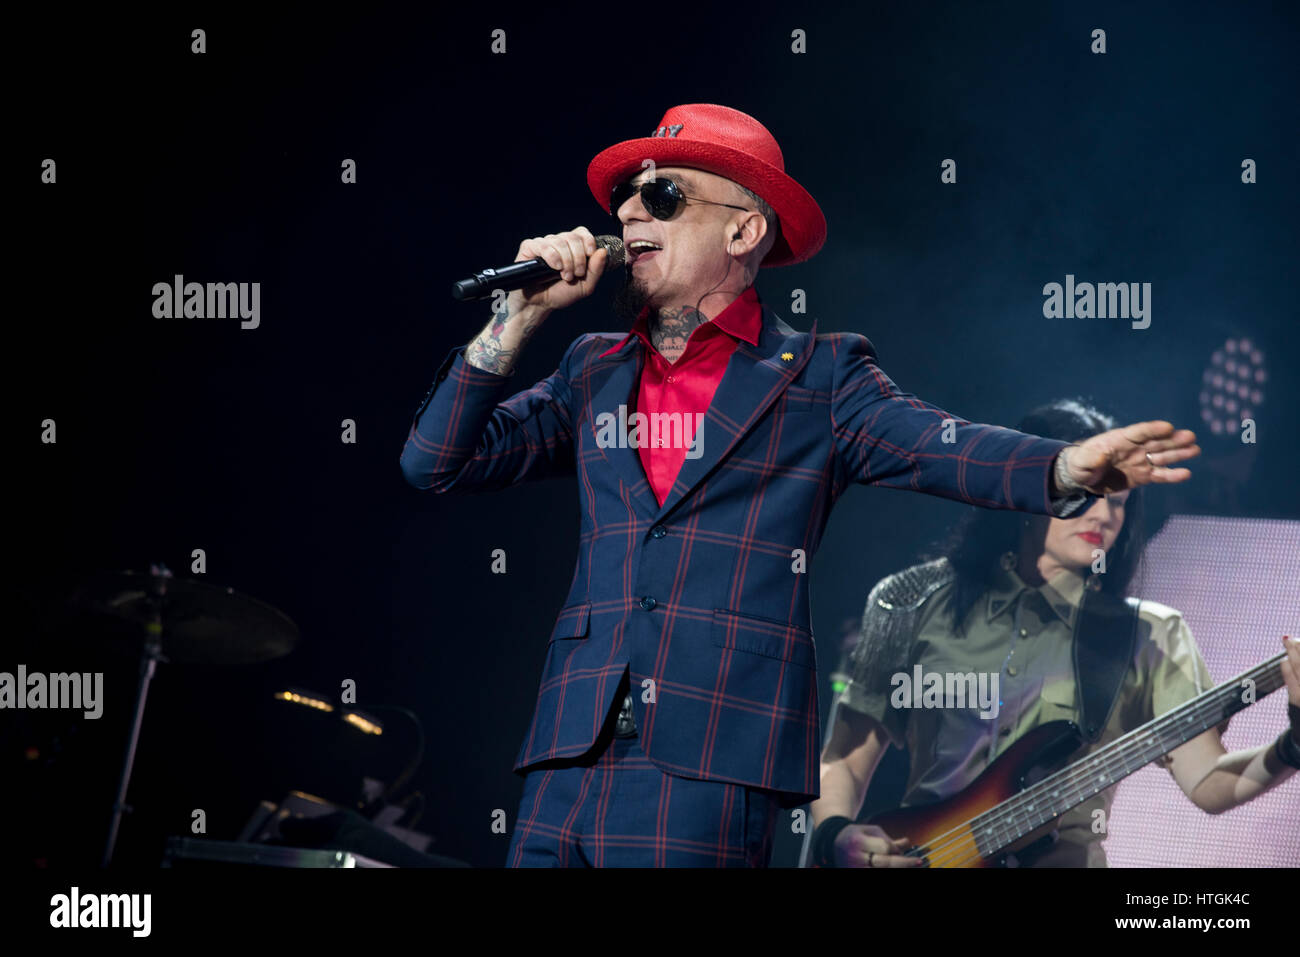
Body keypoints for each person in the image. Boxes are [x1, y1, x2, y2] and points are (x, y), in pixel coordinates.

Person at [399, 104, 1201, 867]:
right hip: (567, 751)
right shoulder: (593, 369)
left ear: (744, 229)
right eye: (626, 196)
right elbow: (435, 462)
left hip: (706, 757)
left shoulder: (819, 376)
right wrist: (515, 319)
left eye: (663, 195)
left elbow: (940, 446)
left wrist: (1062, 468)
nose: (632, 215)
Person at [806, 399, 1300, 868]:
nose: (1105, 515)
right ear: (1028, 486)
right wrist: (837, 836)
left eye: (1120, 501)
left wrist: (1291, 745)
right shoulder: (913, 600)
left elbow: (1212, 785)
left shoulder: (1151, 635)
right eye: (1091, 493)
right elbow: (844, 762)